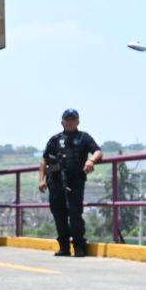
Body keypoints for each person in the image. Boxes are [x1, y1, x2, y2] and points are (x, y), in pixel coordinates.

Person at [38, 108, 102, 257]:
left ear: (78, 121)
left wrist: (91, 160)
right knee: (59, 215)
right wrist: (41, 179)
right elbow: (44, 160)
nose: (70, 122)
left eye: (73, 119)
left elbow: (98, 151)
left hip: (75, 181)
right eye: (67, 119)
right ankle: (64, 247)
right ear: (62, 122)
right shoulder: (54, 140)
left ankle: (79, 247)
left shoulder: (84, 137)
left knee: (75, 214)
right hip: (55, 181)